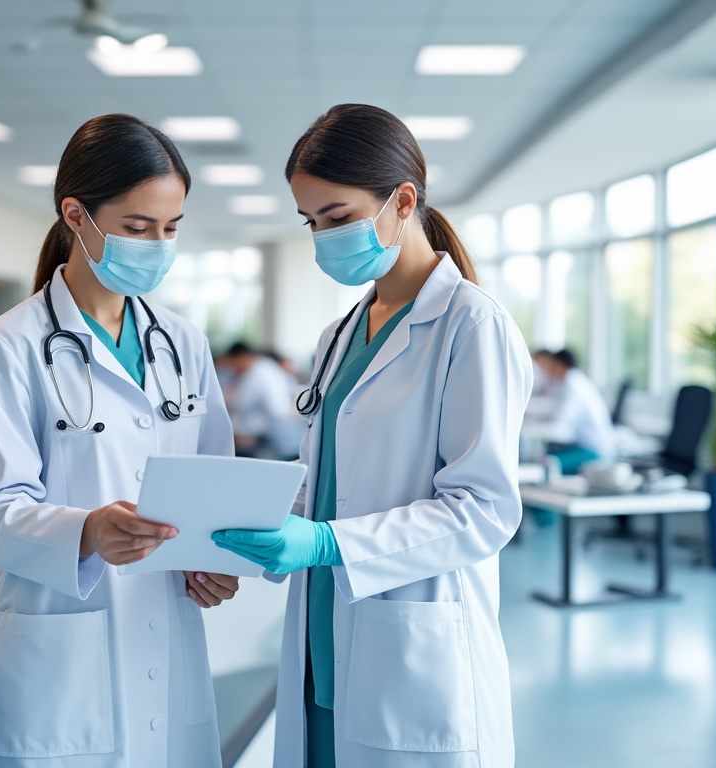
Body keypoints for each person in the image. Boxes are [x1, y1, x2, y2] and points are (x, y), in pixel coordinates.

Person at [213, 104, 532, 768]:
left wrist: (327, 542)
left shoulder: (471, 325)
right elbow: (325, 481)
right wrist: (241, 535)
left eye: (337, 217)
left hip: (410, 644)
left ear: (402, 202)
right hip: (323, 633)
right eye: (311, 222)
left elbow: (484, 510)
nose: (323, 237)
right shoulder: (338, 336)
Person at [0, 114, 239, 768]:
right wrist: (85, 532)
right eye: (137, 228)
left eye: (170, 228)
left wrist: (213, 562)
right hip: (56, 653)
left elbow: (215, 483)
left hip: (166, 629)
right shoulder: (8, 346)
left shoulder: (182, 342)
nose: (157, 245)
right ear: (75, 216)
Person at [527, 348, 616, 474]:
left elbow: (561, 428)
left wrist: (531, 429)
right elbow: (553, 409)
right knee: (544, 457)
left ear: (559, 364)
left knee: (547, 463)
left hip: (594, 451)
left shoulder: (574, 386)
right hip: (581, 445)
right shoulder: (569, 381)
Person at [218, 341, 305, 459]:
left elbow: (241, 403)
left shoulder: (258, 373)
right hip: (275, 434)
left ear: (242, 357)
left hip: (274, 440)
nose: (232, 368)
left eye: (232, 363)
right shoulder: (264, 367)